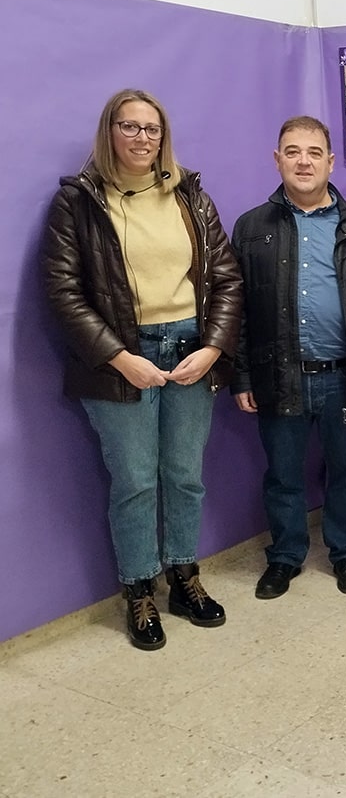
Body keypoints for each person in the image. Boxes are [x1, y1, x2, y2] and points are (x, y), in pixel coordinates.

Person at [41, 88, 242, 650]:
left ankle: (184, 576)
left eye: (151, 130)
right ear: (109, 133)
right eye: (129, 127)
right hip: (118, 360)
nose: (141, 138)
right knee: (134, 481)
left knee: (184, 474)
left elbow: (225, 278)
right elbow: (63, 292)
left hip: (190, 351)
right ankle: (139, 591)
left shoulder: (190, 196)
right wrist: (119, 357)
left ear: (164, 138)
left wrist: (212, 347)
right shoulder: (79, 201)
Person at [231, 116, 346, 600]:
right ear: (277, 159)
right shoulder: (251, 228)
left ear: (330, 161)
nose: (303, 161)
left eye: (313, 152)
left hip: (345, 377)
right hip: (278, 375)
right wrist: (242, 374)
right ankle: (284, 557)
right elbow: (235, 309)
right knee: (283, 476)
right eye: (292, 151)